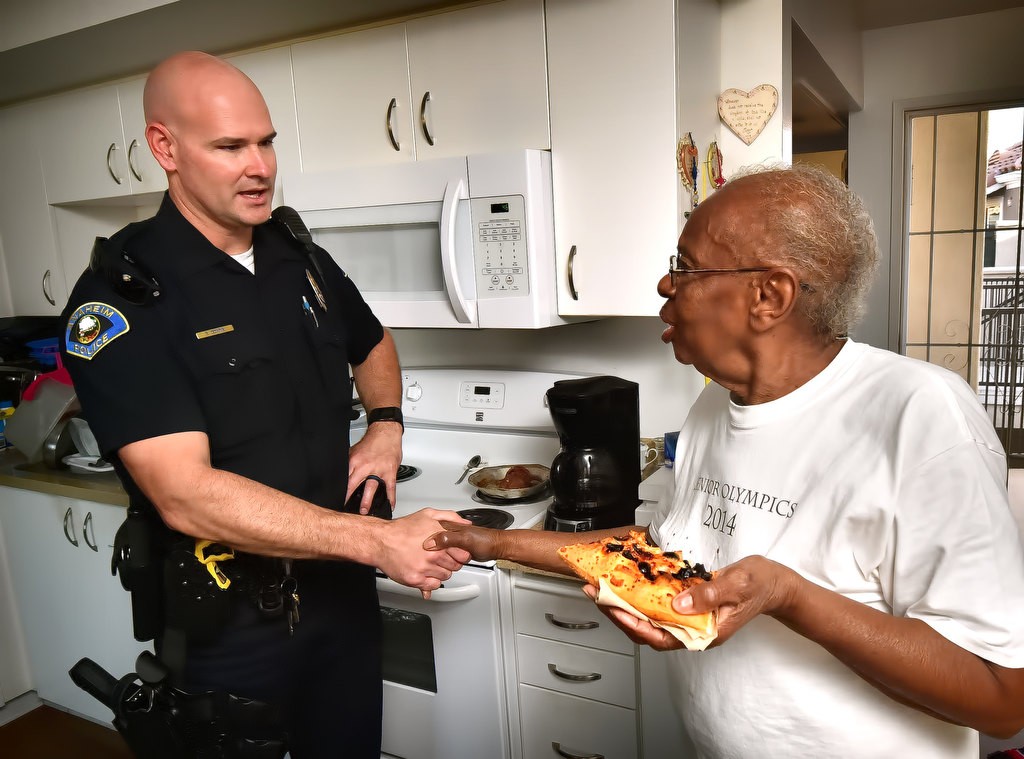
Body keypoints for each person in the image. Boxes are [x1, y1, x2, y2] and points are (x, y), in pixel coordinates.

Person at [427, 164, 1024, 757]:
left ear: (769, 295)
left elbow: (1000, 698)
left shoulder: (922, 415)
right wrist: (494, 544)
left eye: (684, 267)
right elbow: (662, 552)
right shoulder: (715, 403)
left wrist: (790, 596)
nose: (665, 286)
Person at [60, 51, 469, 757]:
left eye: (267, 141)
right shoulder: (122, 301)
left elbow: (371, 342)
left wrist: (386, 426)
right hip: (231, 624)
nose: (261, 167)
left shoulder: (296, 254)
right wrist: (377, 541)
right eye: (230, 147)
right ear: (166, 148)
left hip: (341, 601)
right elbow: (186, 495)